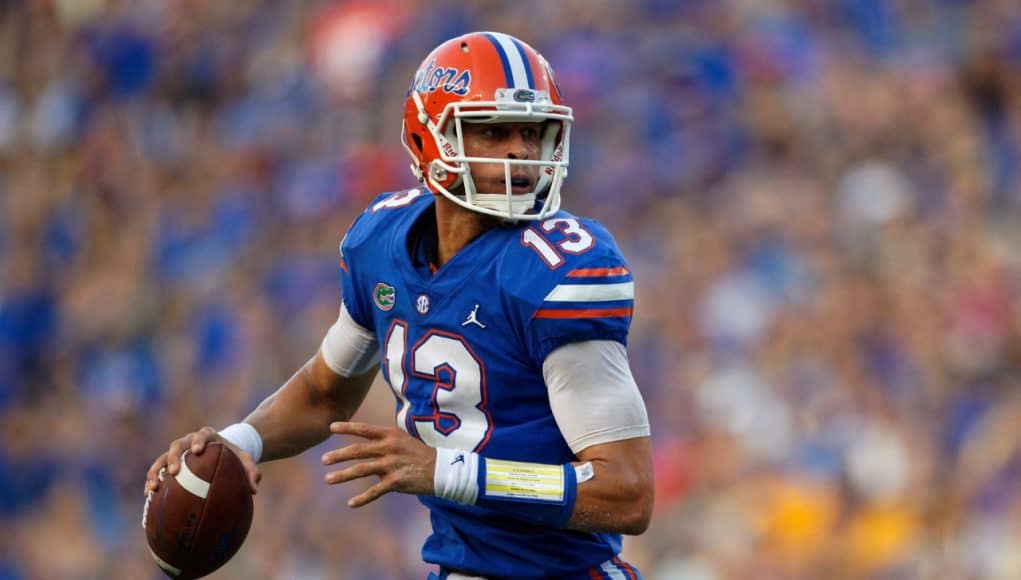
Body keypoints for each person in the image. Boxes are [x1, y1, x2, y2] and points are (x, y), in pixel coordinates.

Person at [145, 31, 653, 579]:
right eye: (493, 131)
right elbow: (323, 394)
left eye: (532, 132)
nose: (520, 152)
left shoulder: (557, 270)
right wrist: (237, 441)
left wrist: (447, 471)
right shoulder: (381, 244)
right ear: (430, 138)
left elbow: (626, 492)